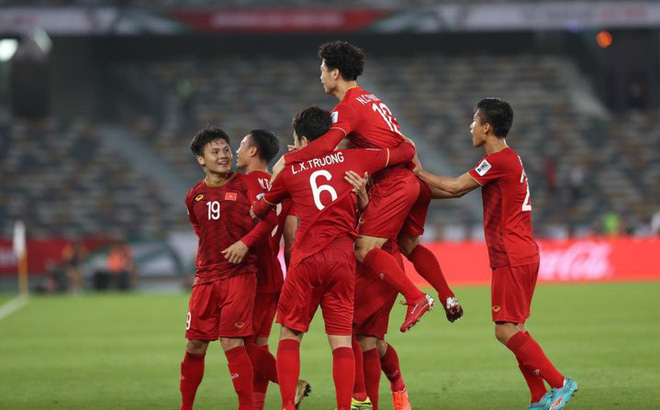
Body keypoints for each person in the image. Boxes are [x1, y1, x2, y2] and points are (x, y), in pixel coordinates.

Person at [273, 40, 460, 332]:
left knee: (362, 248)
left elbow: (329, 146)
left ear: (335, 72)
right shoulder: (373, 101)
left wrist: (289, 159)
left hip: (391, 184)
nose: (320, 75)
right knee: (409, 245)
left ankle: (415, 298)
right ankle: (447, 295)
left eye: (322, 70)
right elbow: (405, 142)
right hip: (410, 179)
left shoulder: (346, 108)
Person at [415, 98, 578, 410]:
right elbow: (455, 191)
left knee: (504, 331)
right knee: (517, 330)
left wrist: (418, 172)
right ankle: (538, 397)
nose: (471, 127)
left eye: (474, 121)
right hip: (522, 251)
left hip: (511, 254)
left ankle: (559, 383)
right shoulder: (508, 159)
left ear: (487, 127)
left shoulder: (498, 161)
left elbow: (455, 186)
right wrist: (417, 188)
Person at [252, 106, 416, 410]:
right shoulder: (354, 159)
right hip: (342, 260)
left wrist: (285, 169)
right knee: (341, 341)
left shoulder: (290, 170)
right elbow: (406, 151)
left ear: (302, 140)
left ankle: (287, 405)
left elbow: (260, 209)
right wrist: (396, 136)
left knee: (290, 334)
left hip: (306, 259)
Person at [180, 127, 278, 410]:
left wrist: (245, 244)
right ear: (201, 159)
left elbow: (269, 219)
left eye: (226, 149)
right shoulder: (194, 195)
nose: (224, 156)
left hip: (240, 275)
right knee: (194, 346)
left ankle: (246, 406)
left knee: (233, 342)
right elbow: (199, 228)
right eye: (215, 152)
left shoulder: (245, 184)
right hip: (205, 279)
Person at [235, 129, 309, 409]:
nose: (237, 150)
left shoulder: (241, 184)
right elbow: (290, 241)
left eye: (242, 145)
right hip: (275, 277)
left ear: (253, 151)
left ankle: (290, 382)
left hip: (249, 276)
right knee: (260, 342)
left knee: (237, 343)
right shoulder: (284, 188)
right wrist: (292, 281)